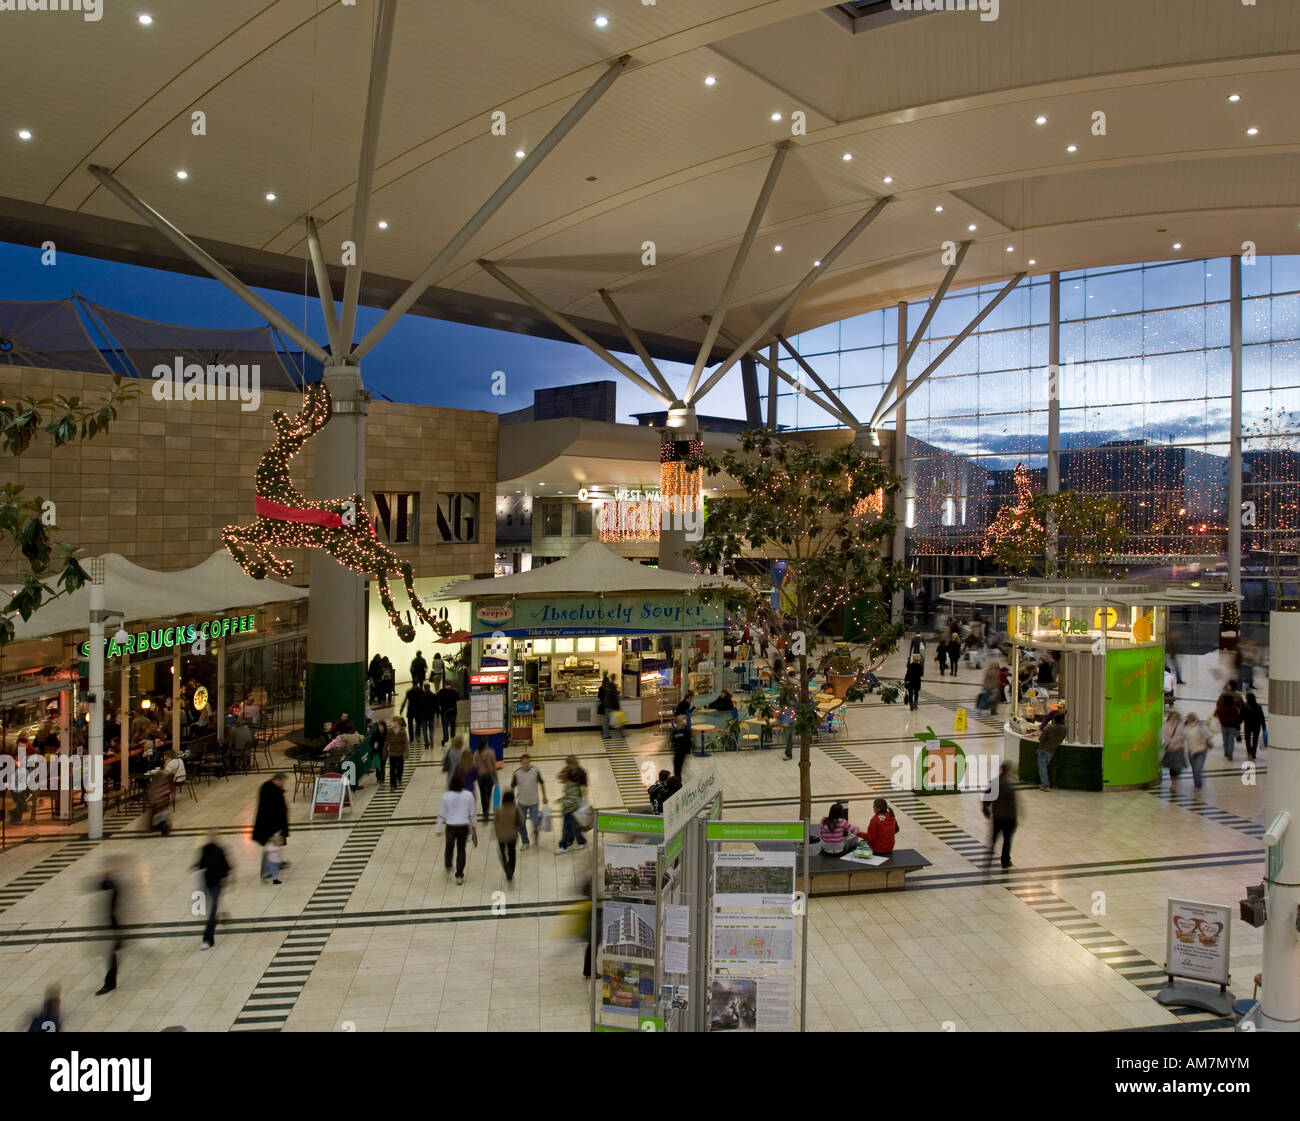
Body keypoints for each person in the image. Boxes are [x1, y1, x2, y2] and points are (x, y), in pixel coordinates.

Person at [438, 773, 477, 884]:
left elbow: (442, 813)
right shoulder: (468, 795)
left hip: (450, 826)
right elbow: (472, 813)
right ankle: (459, 875)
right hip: (463, 827)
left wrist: (438, 828)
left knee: (449, 846)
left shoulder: (447, 796)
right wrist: (474, 826)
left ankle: (448, 864)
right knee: (461, 850)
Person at [195, 833, 231, 950]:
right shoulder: (205, 849)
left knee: (212, 912)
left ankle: (207, 939)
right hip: (207, 883)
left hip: (216, 883)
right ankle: (217, 917)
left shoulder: (220, 850)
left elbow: (227, 866)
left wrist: (226, 879)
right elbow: (202, 863)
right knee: (210, 908)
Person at [252, 773, 290, 876]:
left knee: (276, 846)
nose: (283, 784)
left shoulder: (269, 787)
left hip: (275, 825)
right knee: (271, 848)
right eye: (282, 782)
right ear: (277, 780)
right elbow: (274, 806)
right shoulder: (269, 790)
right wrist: (281, 791)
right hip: (270, 826)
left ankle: (277, 862)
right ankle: (267, 871)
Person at [982, 761, 1018, 870]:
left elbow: (986, 798)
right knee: (1007, 841)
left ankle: (988, 860)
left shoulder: (994, 783)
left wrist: (985, 809)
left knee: (993, 840)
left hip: (998, 817)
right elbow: (1012, 805)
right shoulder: (1009, 786)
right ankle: (1005, 861)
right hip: (1009, 818)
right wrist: (1014, 820)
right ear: (1008, 771)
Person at [95, 866, 123, 995]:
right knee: (112, 956)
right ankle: (110, 983)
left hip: (115, 929)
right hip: (114, 928)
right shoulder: (114, 893)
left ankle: (110, 984)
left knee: (112, 956)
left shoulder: (114, 893)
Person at [510, 753, 547, 847]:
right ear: (521, 763)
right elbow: (512, 787)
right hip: (521, 803)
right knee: (521, 823)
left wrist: (544, 796)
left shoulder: (535, 771)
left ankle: (536, 830)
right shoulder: (517, 773)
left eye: (528, 762)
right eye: (524, 763)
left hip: (534, 802)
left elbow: (542, 783)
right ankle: (525, 842)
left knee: (535, 821)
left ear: (530, 762)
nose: (526, 765)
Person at [556, 755, 588, 853]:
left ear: (574, 763)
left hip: (575, 802)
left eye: (570, 764)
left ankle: (563, 845)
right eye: (568, 765)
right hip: (568, 800)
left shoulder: (581, 773)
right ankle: (579, 841)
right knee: (573, 824)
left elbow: (584, 788)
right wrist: (563, 775)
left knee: (568, 824)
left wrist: (584, 802)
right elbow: (559, 778)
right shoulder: (567, 769)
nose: (569, 766)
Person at [494, 790, 524, 883]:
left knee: (502, 854)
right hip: (512, 835)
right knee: (511, 853)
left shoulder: (498, 810)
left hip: (501, 836)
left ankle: (507, 868)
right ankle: (511, 871)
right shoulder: (516, 809)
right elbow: (521, 821)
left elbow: (495, 824)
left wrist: (497, 833)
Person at [1037, 711, 1067, 791]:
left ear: (1054, 719)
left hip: (1043, 749)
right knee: (1045, 767)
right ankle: (1045, 784)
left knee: (1042, 767)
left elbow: (1041, 739)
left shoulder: (1048, 727)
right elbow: (1061, 739)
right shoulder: (1064, 729)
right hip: (1052, 750)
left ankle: (1045, 785)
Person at [1215, 683, 1244, 762]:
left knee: (1225, 740)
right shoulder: (1235, 704)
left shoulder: (1222, 700)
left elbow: (1217, 709)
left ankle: (1226, 752)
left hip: (1224, 725)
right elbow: (1240, 711)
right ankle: (1230, 754)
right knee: (1231, 740)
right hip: (1233, 725)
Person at [1184, 712, 1212, 792]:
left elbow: (1209, 735)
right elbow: (1183, 737)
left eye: (1189, 717)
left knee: (1197, 769)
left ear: (1193, 718)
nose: (1187, 719)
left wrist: (1205, 739)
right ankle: (1196, 782)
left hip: (1201, 751)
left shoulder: (1200, 726)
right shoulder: (1186, 727)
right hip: (1191, 751)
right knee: (1194, 769)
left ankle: (1198, 785)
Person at [474, 742, 498, 823]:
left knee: (482, 794)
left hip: (480, 777)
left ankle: (485, 812)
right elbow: (494, 766)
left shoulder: (476, 753)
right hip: (489, 776)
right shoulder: (491, 752)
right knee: (488, 794)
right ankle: (487, 809)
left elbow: (474, 766)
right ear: (486, 744)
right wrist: (496, 777)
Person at [1161, 709, 1187, 783]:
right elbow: (1164, 736)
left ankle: (1175, 780)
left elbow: (1184, 735)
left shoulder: (1180, 725)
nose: (1174, 718)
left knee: (1178, 767)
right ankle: (1173, 783)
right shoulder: (1166, 725)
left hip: (1179, 749)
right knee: (1172, 768)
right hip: (1171, 749)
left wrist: (1178, 739)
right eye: (1173, 716)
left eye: (1176, 717)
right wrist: (1172, 741)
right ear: (1170, 717)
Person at [386, 716, 409, 788]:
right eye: (392, 721)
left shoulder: (403, 732)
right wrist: (385, 751)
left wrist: (406, 752)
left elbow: (405, 743)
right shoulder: (390, 731)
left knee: (400, 768)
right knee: (392, 769)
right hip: (392, 753)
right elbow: (386, 741)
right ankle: (392, 784)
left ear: (398, 723)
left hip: (400, 753)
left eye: (394, 722)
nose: (392, 723)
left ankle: (399, 778)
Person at [1243, 692, 1267, 761]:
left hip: (1248, 725)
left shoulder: (1245, 706)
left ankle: (1249, 752)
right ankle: (1253, 753)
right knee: (1255, 740)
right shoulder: (1258, 707)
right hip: (1257, 726)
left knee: (1247, 739)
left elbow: (1242, 716)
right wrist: (1264, 727)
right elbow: (1262, 718)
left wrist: (1238, 723)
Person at [436, 680, 460, 746]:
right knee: (453, 726)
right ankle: (453, 739)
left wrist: (438, 713)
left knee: (445, 726)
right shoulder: (454, 691)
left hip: (444, 712)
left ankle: (445, 740)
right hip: (453, 711)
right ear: (450, 684)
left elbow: (437, 701)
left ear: (444, 684)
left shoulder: (441, 692)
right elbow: (458, 699)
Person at [671, 716, 692, 780]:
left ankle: (678, 780)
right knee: (676, 767)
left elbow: (689, 741)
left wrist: (688, 749)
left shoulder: (686, 730)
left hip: (682, 752)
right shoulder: (675, 730)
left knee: (678, 767)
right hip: (677, 751)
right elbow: (672, 740)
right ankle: (677, 779)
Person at [371, 719, 388, 785]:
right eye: (379, 726)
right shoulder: (375, 734)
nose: (380, 727)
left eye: (382, 726)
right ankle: (378, 778)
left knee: (382, 766)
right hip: (377, 753)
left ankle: (382, 779)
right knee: (378, 766)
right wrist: (374, 744)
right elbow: (371, 741)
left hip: (384, 752)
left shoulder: (386, 734)